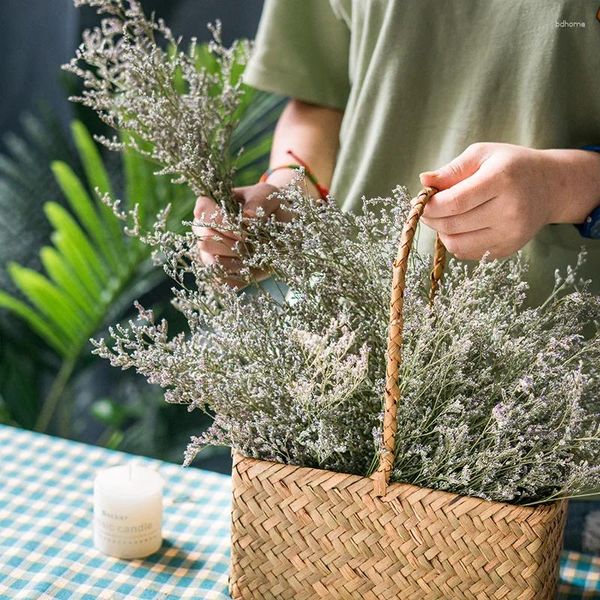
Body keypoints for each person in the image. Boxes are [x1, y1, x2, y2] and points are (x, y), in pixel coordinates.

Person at [193, 0, 600, 547]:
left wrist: (564, 185)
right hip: (339, 399)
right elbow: (319, 99)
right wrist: (293, 194)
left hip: (556, 430)